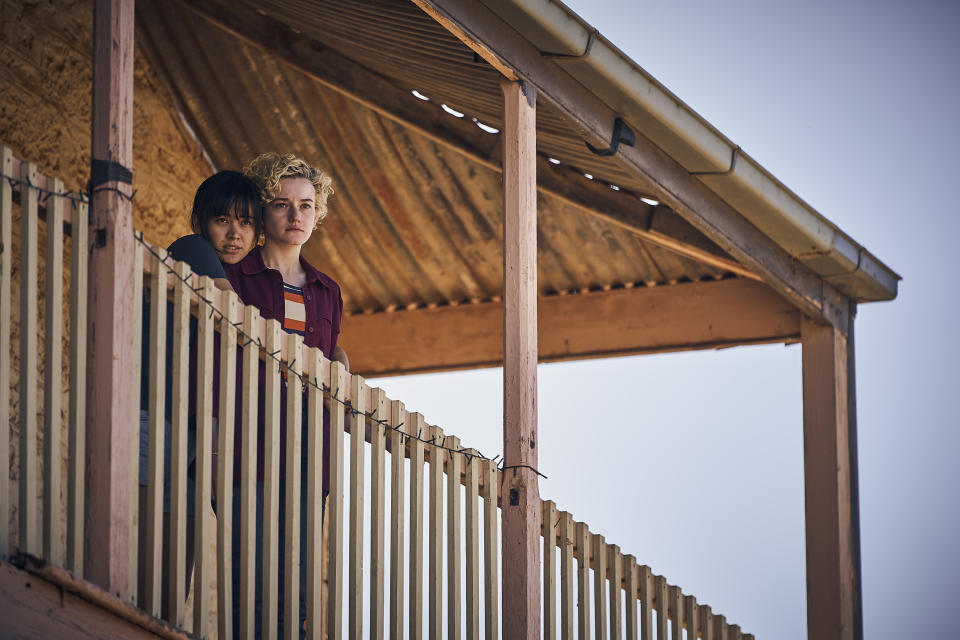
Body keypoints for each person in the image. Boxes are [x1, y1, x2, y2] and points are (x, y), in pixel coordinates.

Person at [224, 152, 347, 639]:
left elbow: (331, 352)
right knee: (251, 575)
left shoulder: (327, 290)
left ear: (318, 213)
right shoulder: (236, 274)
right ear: (262, 210)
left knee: (294, 587)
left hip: (307, 451)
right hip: (248, 440)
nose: (296, 216)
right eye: (281, 204)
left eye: (306, 206)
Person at [136, 170, 262, 617]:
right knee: (145, 540)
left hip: (194, 429)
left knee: (180, 546)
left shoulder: (239, 275)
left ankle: (164, 622)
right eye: (223, 220)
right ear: (200, 221)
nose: (234, 234)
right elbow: (240, 317)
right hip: (155, 416)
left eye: (246, 224)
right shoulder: (192, 249)